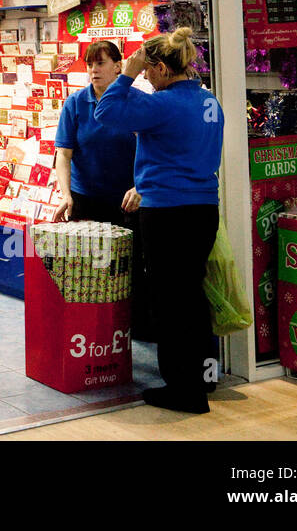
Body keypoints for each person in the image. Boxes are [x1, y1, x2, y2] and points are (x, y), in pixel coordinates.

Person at [95, 27, 223, 415]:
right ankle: (203, 378)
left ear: (164, 69)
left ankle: (182, 389)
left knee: (170, 301)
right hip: (203, 208)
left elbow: (106, 112)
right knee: (192, 296)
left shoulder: (163, 105)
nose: (147, 77)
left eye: (150, 71)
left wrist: (127, 73)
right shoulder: (209, 101)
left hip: (168, 212)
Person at [52, 41, 138, 225]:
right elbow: (64, 154)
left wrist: (140, 187)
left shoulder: (135, 101)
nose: (93, 70)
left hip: (127, 200)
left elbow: (153, 153)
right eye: (89, 65)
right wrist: (66, 195)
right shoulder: (75, 102)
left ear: (117, 66)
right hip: (83, 199)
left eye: (100, 63)